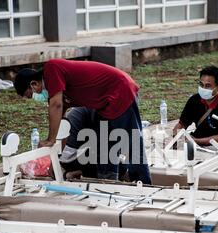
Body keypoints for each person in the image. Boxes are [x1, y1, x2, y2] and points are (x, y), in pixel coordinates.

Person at [14, 59, 152, 185]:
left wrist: (50, 139)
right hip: (103, 104)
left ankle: (144, 185)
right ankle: (108, 183)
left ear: (34, 84)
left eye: (31, 94)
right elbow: (63, 124)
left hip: (119, 90)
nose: (36, 98)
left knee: (130, 142)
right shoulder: (59, 91)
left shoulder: (52, 69)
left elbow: (56, 105)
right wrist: (56, 160)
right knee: (103, 146)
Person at [173, 66, 218, 146]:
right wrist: (177, 135)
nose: (203, 88)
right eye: (201, 84)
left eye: (208, 86)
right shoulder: (194, 100)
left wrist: (197, 141)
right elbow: (182, 124)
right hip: (195, 142)